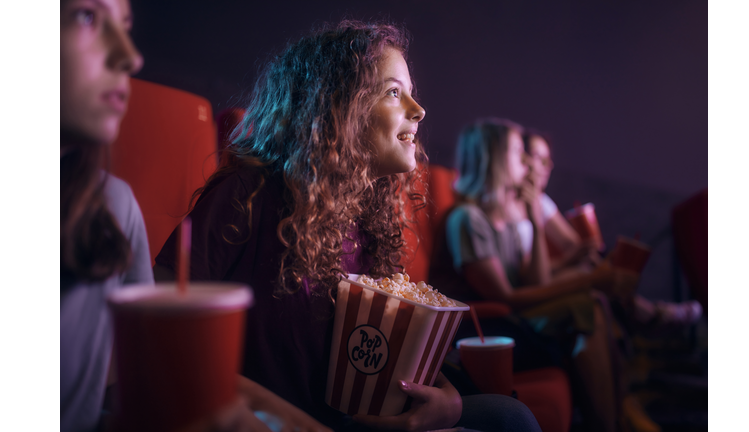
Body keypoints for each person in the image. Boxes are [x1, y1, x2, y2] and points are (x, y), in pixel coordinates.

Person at [154, 22, 541, 432]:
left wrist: (444, 398)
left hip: (350, 415)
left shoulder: (367, 215)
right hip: (275, 422)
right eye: (394, 91)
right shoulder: (247, 195)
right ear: (337, 106)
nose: (418, 109)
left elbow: (377, 350)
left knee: (510, 415)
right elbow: (161, 331)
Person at [60, 1, 269, 430]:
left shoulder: (113, 207)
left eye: (124, 26)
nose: (130, 57)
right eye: (86, 16)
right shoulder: (244, 194)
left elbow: (122, 392)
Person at [430, 118, 635, 432]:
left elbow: (534, 281)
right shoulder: (467, 219)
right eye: (517, 151)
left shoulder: (507, 215)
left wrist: (536, 222)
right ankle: (609, 423)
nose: (527, 160)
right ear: (493, 159)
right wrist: (591, 279)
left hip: (509, 319)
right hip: (482, 332)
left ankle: (615, 417)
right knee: (589, 303)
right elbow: (505, 298)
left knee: (591, 303)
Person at [522, 130, 703, 329]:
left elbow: (572, 245)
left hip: (549, 274)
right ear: (521, 160)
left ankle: (643, 315)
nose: (548, 166)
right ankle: (649, 315)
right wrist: (573, 259)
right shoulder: (512, 207)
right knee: (591, 280)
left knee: (595, 271)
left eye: (549, 159)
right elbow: (530, 275)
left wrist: (588, 253)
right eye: (539, 158)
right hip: (529, 287)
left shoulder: (540, 201)